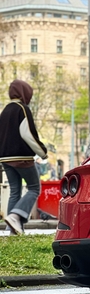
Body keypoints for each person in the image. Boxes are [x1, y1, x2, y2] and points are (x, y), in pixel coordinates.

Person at [0, 80, 48, 235]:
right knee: (34, 187)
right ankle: (15, 216)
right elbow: (28, 134)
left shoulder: (5, 111)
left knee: (15, 190)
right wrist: (42, 152)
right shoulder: (22, 109)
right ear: (24, 93)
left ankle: (11, 229)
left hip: (5, 158)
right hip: (21, 157)